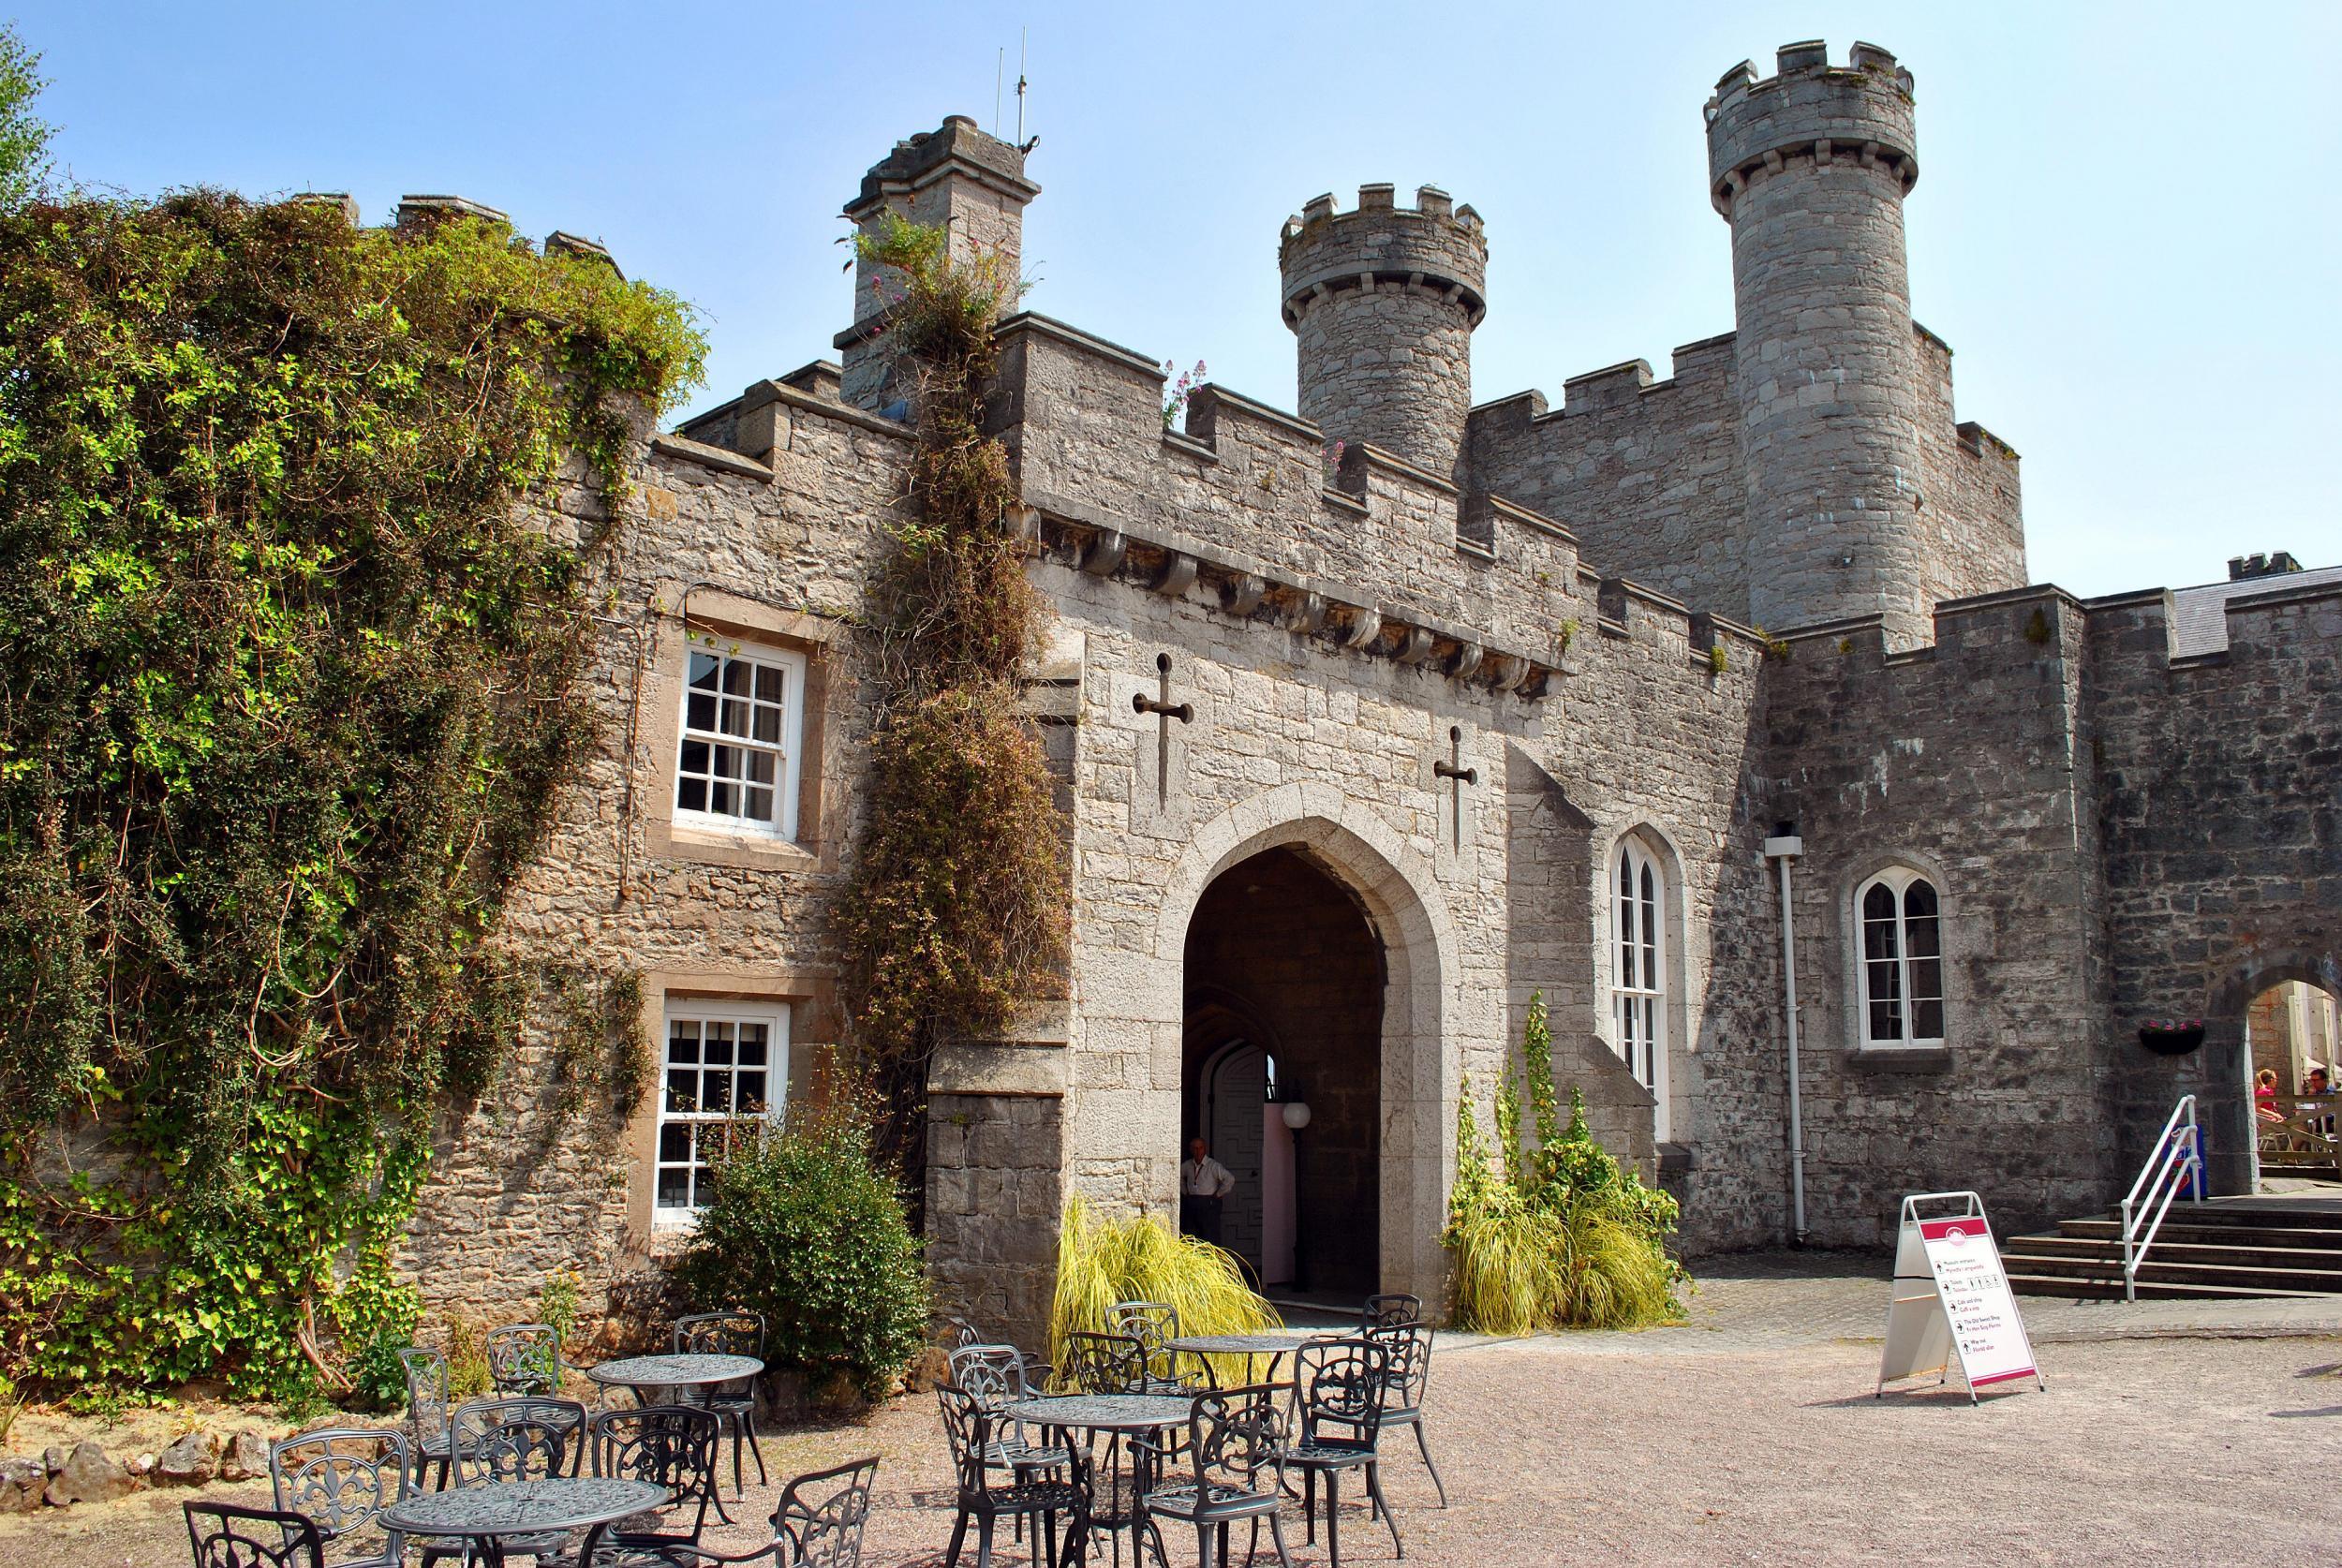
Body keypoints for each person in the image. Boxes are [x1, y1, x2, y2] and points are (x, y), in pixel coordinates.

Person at [1178, 1136, 1235, 1246]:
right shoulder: (1188, 1165)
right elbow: (1177, 1175)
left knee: (1210, 1237)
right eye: (1195, 1148)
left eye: (1200, 1148)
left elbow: (1230, 1179)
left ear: (1205, 1149)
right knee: (1191, 1237)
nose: (1198, 1151)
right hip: (1192, 1203)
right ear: (1191, 1150)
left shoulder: (1213, 1166)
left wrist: (1219, 1194)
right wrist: (1185, 1192)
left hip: (1208, 1204)